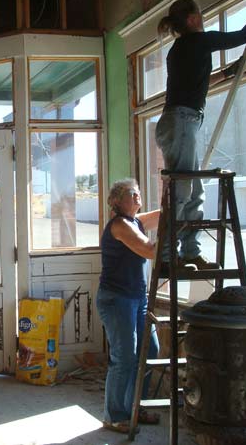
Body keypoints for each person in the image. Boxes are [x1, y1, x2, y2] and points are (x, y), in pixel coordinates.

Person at [155, 0, 246, 269]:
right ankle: (165, 259)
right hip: (182, 122)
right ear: (192, 19)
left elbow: (195, 82)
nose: (204, 18)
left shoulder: (179, 49)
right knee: (183, 193)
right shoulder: (200, 41)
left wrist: (226, 73)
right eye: (200, 14)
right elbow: (244, 35)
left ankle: (188, 252)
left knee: (194, 191)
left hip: (178, 122)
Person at [96, 179, 161, 433]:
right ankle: (114, 415)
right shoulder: (120, 225)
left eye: (138, 193)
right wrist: (171, 243)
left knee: (150, 350)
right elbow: (148, 249)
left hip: (137, 298)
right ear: (116, 201)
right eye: (131, 194)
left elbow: (163, 215)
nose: (137, 196)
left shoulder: (137, 220)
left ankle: (135, 407)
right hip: (116, 299)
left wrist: (179, 204)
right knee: (124, 357)